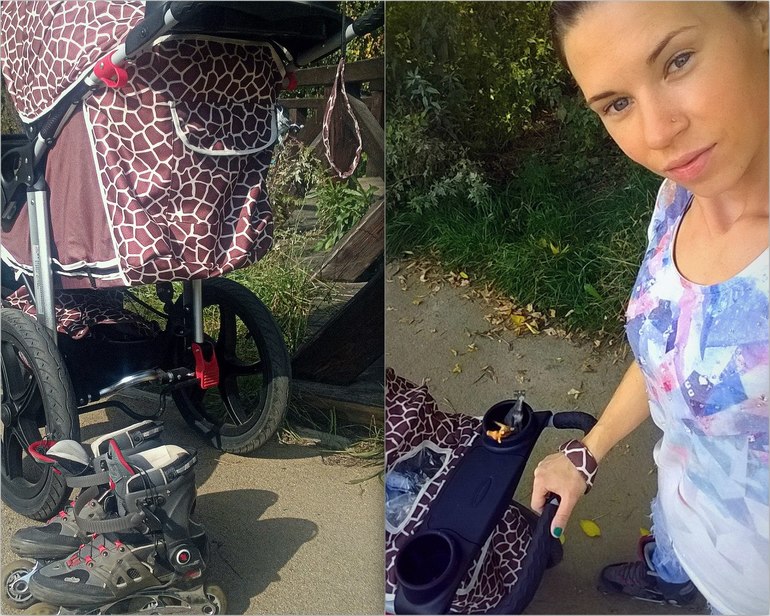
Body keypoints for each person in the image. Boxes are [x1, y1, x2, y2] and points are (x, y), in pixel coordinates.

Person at [531, 2, 769, 614]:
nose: (658, 133)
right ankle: (669, 573)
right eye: (617, 103)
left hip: (750, 589)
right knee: (672, 544)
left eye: (678, 60)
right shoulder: (678, 198)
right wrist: (588, 451)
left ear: (760, 18)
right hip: (684, 512)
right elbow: (673, 349)